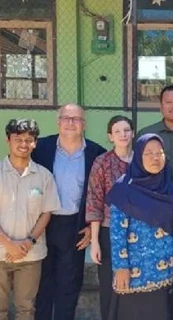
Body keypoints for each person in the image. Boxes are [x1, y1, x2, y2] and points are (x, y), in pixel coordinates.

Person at [32, 104, 106, 320]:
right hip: (43, 225)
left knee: (69, 285)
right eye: (66, 118)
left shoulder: (96, 153)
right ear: (58, 121)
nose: (71, 123)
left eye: (77, 119)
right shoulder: (41, 148)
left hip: (76, 228)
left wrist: (93, 228)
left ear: (84, 124)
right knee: (42, 284)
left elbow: (102, 194)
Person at [106, 133, 173, 320]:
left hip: (163, 273)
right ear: (138, 156)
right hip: (135, 273)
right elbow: (117, 233)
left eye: (159, 153)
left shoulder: (168, 187)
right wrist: (120, 267)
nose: (155, 158)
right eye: (148, 153)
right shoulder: (124, 189)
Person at [0, 119, 60, 320]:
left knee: (26, 309)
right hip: (0, 252)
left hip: (31, 255)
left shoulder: (44, 176)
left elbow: (47, 212)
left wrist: (28, 242)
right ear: (8, 140)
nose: (24, 144)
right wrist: (8, 243)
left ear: (35, 143)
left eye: (29, 140)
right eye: (18, 139)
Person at [86, 116, 134, 320]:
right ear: (110, 136)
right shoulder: (102, 162)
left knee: (136, 286)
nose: (123, 135)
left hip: (139, 233)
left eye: (126, 130)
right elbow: (94, 200)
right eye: (117, 131)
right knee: (110, 287)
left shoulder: (143, 159)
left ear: (132, 133)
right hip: (109, 232)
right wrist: (95, 242)